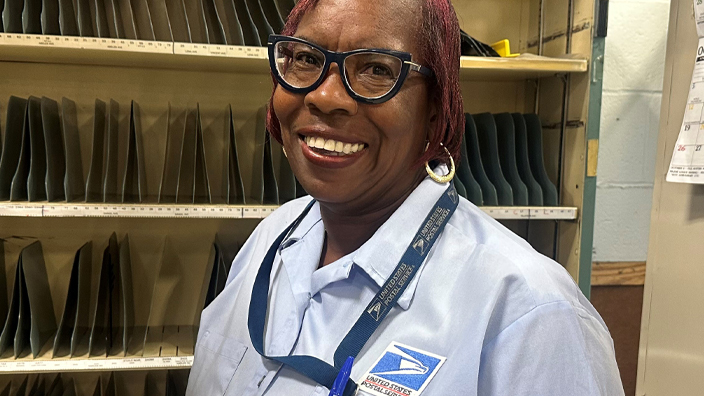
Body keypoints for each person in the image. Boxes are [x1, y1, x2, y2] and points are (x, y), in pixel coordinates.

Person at [186, 0, 625, 394]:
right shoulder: (271, 239)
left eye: (377, 69)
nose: (325, 96)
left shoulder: (529, 314)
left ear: (437, 110)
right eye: (306, 58)